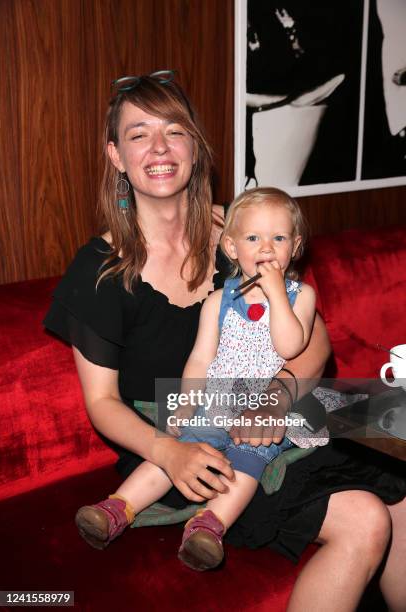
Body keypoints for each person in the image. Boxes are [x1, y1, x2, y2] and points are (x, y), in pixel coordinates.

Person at [44, 71, 406, 610]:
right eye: (139, 133)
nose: (160, 147)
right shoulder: (99, 269)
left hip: (271, 404)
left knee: (397, 468)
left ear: (195, 146)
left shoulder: (237, 234)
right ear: (116, 156)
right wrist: (172, 451)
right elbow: (101, 404)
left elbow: (315, 342)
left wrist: (278, 396)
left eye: (174, 130)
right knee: (367, 518)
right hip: (177, 436)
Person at [73, 186, 329, 571]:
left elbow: (291, 344)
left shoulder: (300, 296)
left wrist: (277, 295)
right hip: (218, 399)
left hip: (263, 411)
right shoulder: (218, 300)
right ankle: (116, 508)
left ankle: (209, 526)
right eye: (253, 238)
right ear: (231, 247)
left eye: (278, 238)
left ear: (294, 247)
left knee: (248, 460)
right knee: (182, 445)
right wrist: (186, 403)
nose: (266, 248)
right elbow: (200, 359)